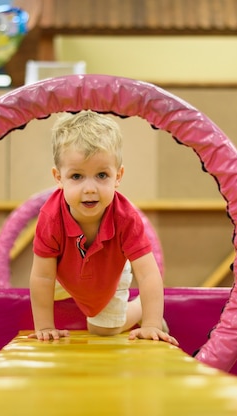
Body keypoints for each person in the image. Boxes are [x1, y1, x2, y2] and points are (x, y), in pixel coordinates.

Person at [28, 110, 178, 346]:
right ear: (59, 177)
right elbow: (42, 276)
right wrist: (45, 326)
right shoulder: (51, 216)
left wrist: (151, 323)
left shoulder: (126, 218)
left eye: (101, 175)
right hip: (61, 272)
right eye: (77, 176)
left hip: (111, 273)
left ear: (118, 176)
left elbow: (148, 274)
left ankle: (137, 309)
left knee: (103, 330)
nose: (90, 188)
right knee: (43, 288)